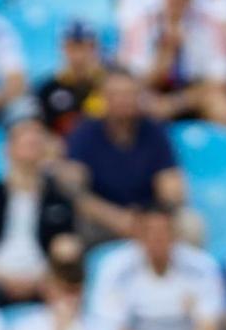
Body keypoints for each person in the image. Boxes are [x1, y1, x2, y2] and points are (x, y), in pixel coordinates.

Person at [91, 203, 226, 330]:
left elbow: (209, 327)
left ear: (175, 234)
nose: (157, 239)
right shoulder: (115, 268)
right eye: (150, 232)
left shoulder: (202, 266)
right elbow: (115, 329)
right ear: (139, 234)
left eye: (163, 232)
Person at [0, 118, 80, 306]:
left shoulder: (59, 202)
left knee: (68, 283)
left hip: (42, 279)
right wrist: (4, 279)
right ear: (8, 148)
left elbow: (66, 249)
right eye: (25, 139)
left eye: (37, 139)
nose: (32, 142)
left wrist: (41, 279)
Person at [60, 69, 184, 243]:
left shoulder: (155, 131)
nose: (123, 101)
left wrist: (148, 219)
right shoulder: (84, 133)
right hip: (103, 218)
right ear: (103, 98)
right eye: (116, 95)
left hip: (150, 217)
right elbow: (76, 192)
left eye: (129, 94)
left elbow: (171, 185)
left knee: (189, 225)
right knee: (76, 228)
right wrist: (116, 218)